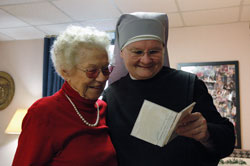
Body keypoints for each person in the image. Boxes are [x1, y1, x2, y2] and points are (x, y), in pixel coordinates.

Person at [102, 12, 235, 166]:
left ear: (163, 50)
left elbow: (227, 141)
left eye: (154, 51)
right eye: (137, 52)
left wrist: (206, 133)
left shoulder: (189, 84)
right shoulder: (111, 96)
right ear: (121, 53)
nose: (146, 60)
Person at [12, 26, 118, 166]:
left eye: (105, 69)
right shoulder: (44, 112)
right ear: (65, 71)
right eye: (92, 71)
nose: (101, 78)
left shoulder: (102, 108)